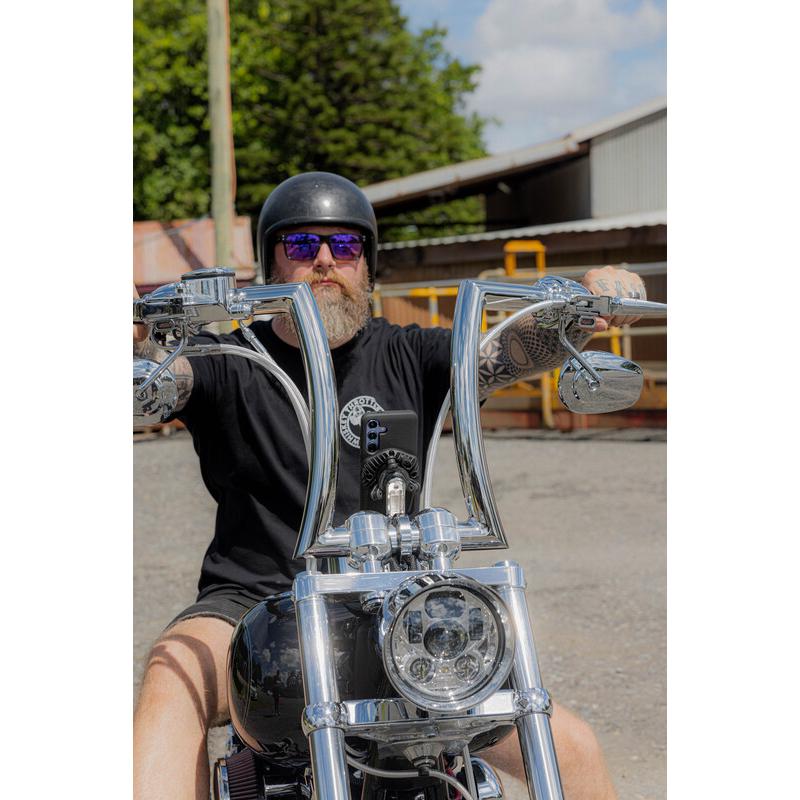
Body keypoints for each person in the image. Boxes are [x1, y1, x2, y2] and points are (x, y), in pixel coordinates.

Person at [133, 171, 646, 800]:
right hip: (251, 605)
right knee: (172, 674)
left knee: (573, 747)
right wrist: (142, 348)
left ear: (368, 266)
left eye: (345, 245)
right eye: (302, 245)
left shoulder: (411, 354)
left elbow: (504, 352)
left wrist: (584, 306)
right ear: (271, 264)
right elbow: (168, 377)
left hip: (393, 605)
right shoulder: (230, 358)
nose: (325, 259)